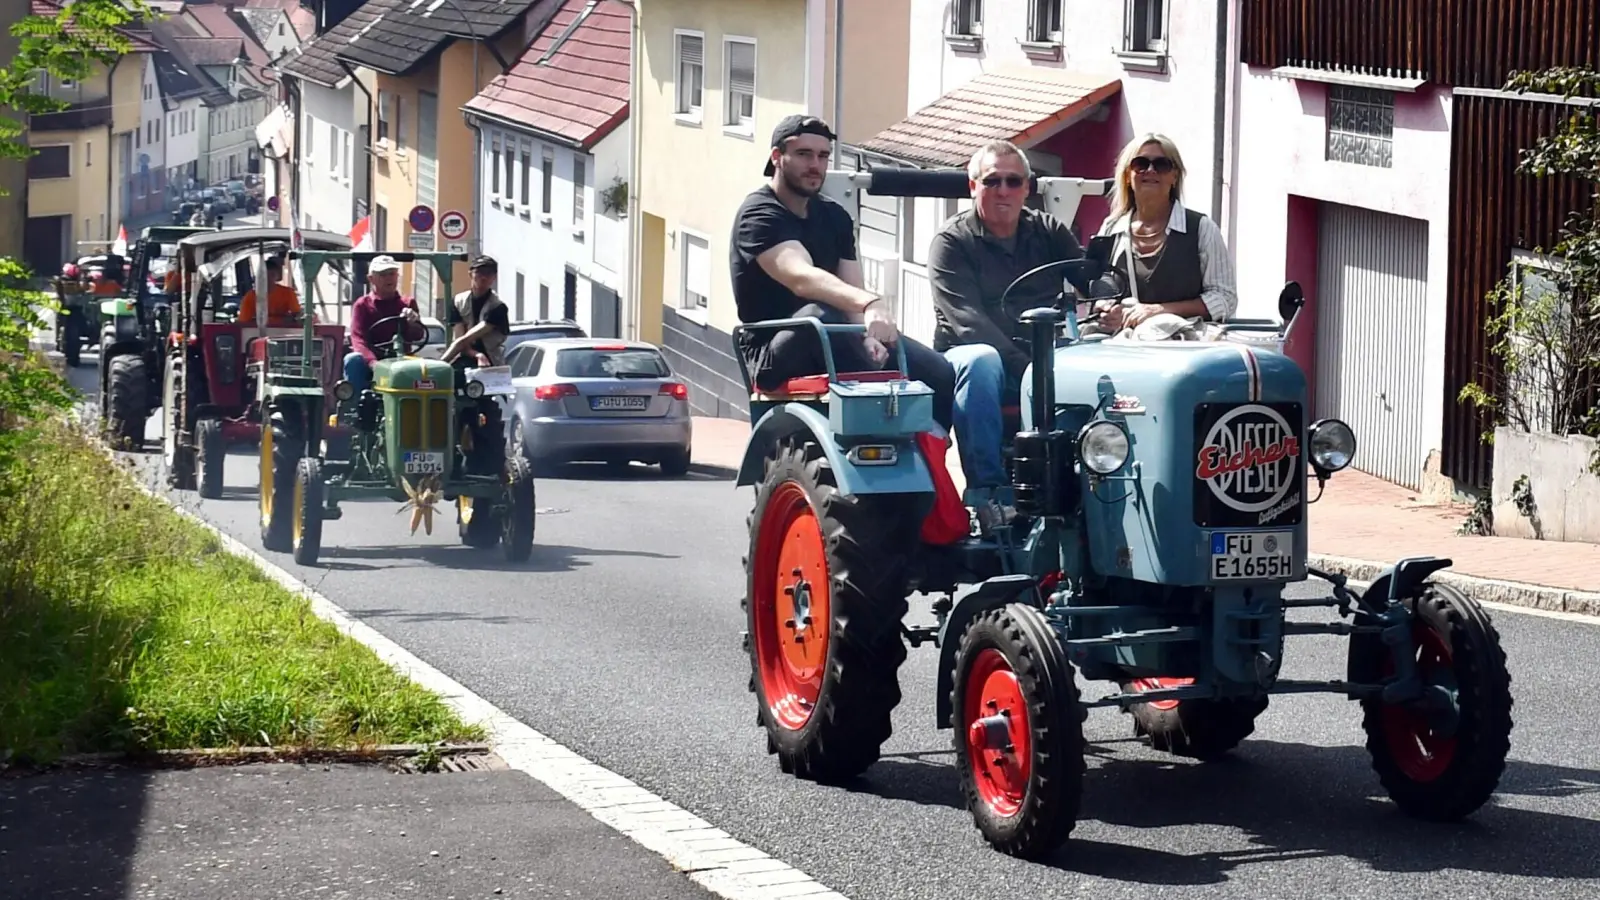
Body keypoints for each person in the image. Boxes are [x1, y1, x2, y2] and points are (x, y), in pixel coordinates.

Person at [729, 114, 955, 433]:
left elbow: (850, 288)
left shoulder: (835, 216)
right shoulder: (758, 214)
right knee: (817, 316)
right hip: (773, 351)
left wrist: (868, 335)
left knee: (938, 370)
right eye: (804, 154)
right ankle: (884, 425)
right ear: (777, 157)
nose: (815, 165)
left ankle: (929, 447)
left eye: (823, 156)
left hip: (837, 335)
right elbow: (802, 277)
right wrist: (870, 303)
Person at [926, 139, 1087, 509]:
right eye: (992, 181)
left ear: (1026, 188)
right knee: (982, 360)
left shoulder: (1048, 230)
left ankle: (1090, 486)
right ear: (973, 186)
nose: (1003, 190)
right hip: (967, 361)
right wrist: (1031, 369)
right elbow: (968, 323)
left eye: (1013, 181)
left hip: (1042, 354)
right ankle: (988, 494)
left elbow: (1089, 277)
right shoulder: (951, 242)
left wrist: (1111, 298)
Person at [1091, 133, 1238, 331]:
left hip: (1186, 344)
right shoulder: (1111, 229)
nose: (1150, 171)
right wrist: (1107, 309)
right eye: (1140, 164)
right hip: (1126, 346)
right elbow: (1099, 284)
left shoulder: (1201, 228)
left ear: (1174, 176)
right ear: (1127, 176)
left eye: (1161, 165)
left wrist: (1159, 311)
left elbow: (1224, 298)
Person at [344, 254, 424, 394]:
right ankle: (355, 403)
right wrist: (373, 363)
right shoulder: (362, 305)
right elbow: (358, 340)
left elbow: (418, 335)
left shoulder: (408, 303)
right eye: (383, 274)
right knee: (353, 360)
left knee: (428, 368)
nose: (389, 278)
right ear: (371, 278)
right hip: (372, 362)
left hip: (402, 359)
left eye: (392, 273)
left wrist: (413, 322)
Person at [441, 255, 510, 367]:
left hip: (492, 362)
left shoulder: (498, 307)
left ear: (494, 277)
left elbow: (466, 339)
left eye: (488, 273)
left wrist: (441, 362)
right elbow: (460, 341)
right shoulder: (458, 301)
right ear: (470, 274)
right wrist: (477, 355)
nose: (483, 277)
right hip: (464, 357)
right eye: (479, 272)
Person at [237, 256, 305, 328]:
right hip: (257, 331)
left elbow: (297, 315)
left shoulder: (288, 293)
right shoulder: (250, 297)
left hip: (283, 330)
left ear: (277, 276)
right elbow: (243, 322)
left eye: (272, 275)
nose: (268, 279)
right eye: (264, 275)